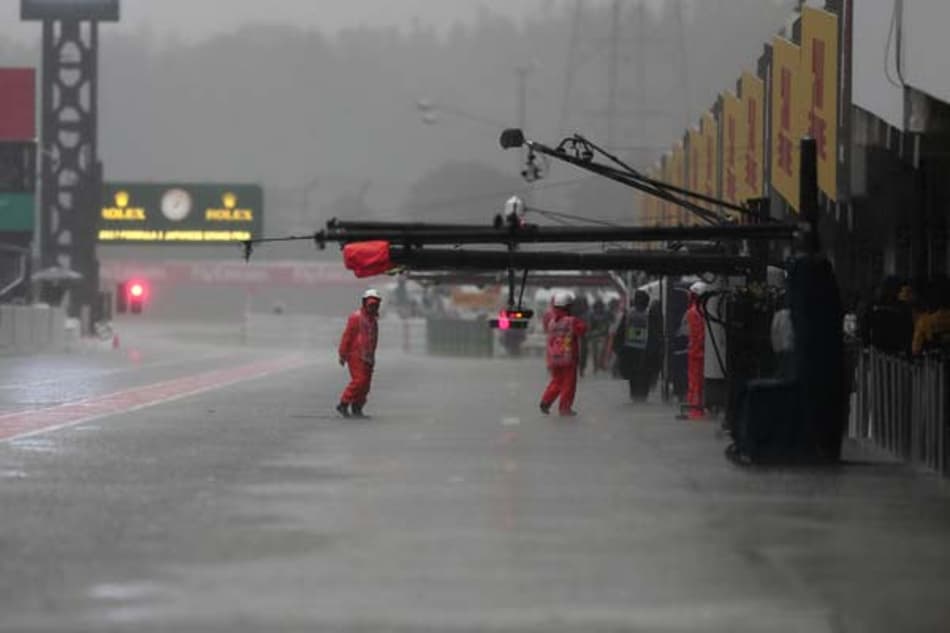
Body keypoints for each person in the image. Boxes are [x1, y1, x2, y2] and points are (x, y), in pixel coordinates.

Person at [540, 291, 588, 416]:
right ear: (568, 307)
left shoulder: (551, 322)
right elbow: (583, 329)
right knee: (568, 383)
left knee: (556, 381)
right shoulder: (572, 320)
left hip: (554, 357)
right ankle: (565, 408)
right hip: (568, 358)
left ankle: (546, 400)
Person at [337, 288, 381, 418]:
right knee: (359, 381)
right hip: (355, 355)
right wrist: (342, 354)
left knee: (365, 385)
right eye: (371, 304)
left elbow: (374, 340)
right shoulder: (355, 317)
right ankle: (343, 403)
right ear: (364, 303)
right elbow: (347, 336)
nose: (373, 307)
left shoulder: (373, 320)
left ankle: (357, 407)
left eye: (375, 304)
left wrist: (372, 356)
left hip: (368, 357)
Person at [614, 290, 654, 401]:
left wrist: (618, 348)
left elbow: (620, 331)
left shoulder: (628, 314)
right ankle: (641, 396)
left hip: (630, 348)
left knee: (633, 374)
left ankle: (635, 395)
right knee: (643, 373)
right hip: (644, 349)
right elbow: (655, 332)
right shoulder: (649, 314)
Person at [685, 281, 706, 419]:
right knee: (699, 383)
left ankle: (695, 411)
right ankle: (697, 409)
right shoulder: (703, 312)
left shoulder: (693, 312)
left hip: (695, 353)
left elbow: (692, 334)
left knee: (694, 382)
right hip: (702, 353)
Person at [588, 299, 611, 373]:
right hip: (594, 335)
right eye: (597, 307)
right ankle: (596, 366)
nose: (599, 308)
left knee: (602, 351)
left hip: (603, 335)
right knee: (594, 352)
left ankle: (601, 365)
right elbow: (590, 326)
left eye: (600, 307)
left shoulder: (605, 314)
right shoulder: (592, 315)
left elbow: (607, 325)